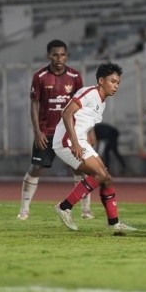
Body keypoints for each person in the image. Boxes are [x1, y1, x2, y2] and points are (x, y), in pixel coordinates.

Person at [52, 62, 137, 234]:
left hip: (80, 139)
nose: (116, 86)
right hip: (66, 141)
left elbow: (84, 118)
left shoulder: (102, 101)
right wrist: (75, 142)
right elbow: (66, 113)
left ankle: (114, 223)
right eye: (113, 81)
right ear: (100, 80)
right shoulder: (89, 93)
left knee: (107, 178)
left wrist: (90, 133)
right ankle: (64, 207)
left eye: (118, 82)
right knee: (100, 175)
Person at [17, 40, 91, 220]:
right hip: (47, 131)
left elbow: (82, 105)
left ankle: (86, 211)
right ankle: (24, 210)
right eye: (55, 55)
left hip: (69, 131)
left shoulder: (75, 76)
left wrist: (87, 131)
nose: (59, 58)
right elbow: (34, 104)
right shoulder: (40, 76)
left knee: (80, 168)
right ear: (48, 55)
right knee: (36, 168)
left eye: (63, 54)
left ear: (67, 55)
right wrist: (37, 131)